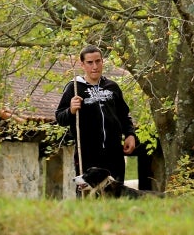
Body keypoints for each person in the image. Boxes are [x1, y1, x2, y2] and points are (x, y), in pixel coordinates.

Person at [55, 45, 136, 186]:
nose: (95, 66)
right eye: (90, 62)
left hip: (114, 153)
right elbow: (60, 118)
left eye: (98, 61)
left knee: (115, 194)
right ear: (82, 64)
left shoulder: (112, 87)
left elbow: (124, 115)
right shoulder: (74, 88)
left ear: (102, 62)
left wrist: (130, 134)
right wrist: (71, 111)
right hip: (87, 155)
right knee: (89, 196)